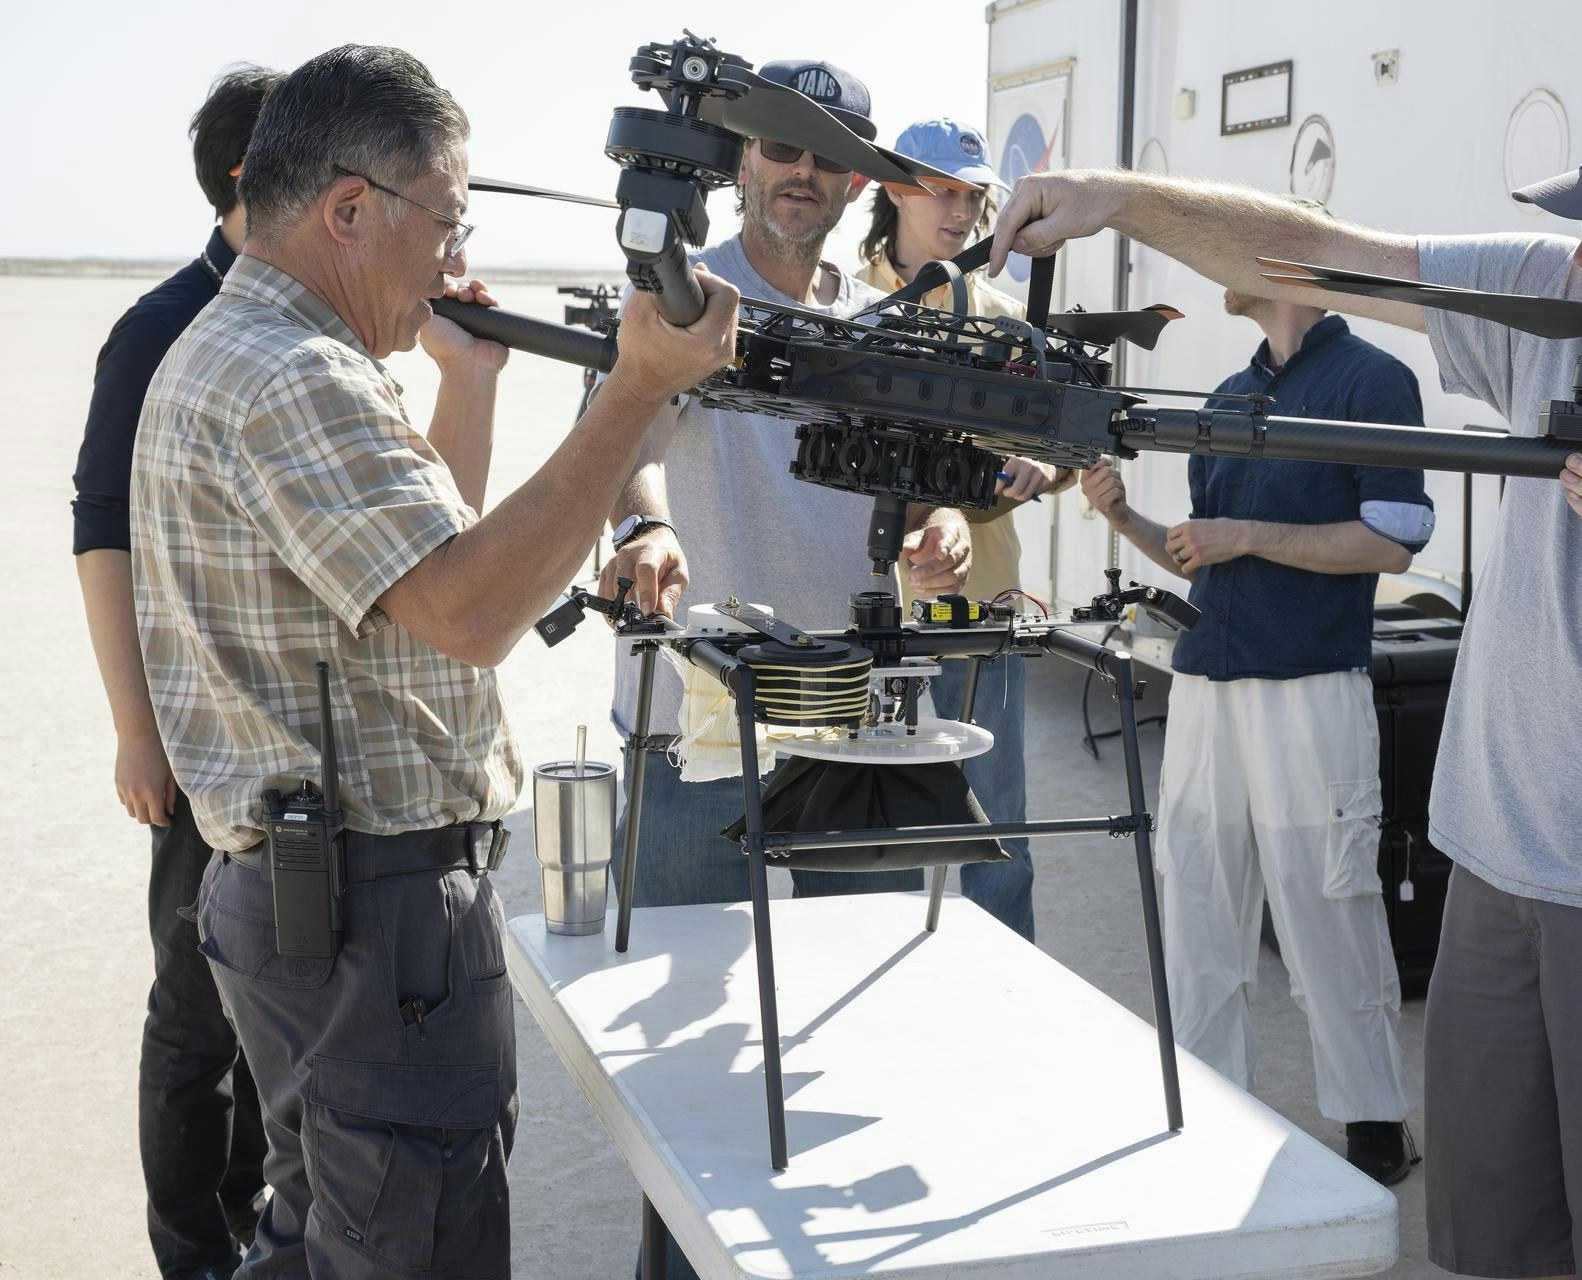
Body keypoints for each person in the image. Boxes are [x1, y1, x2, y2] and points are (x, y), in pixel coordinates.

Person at [987, 83, 1582, 1279]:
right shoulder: (1567, 299)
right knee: (1493, 1241)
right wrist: (1116, 199)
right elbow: (1317, 256)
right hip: (1494, 872)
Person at [129, 44, 737, 1278]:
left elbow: (408, 577)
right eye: (443, 220)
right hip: (372, 917)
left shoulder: (253, 346)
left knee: (320, 1235)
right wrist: (636, 395)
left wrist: (472, 377)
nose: (452, 256)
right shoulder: (299, 376)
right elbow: (467, 612)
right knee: (411, 1239)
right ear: (350, 209)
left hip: (320, 910)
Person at [595, 59, 968, 1280]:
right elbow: (630, 441)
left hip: (845, 722)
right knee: (684, 1060)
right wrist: (646, 524)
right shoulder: (680, 298)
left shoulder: (872, 333)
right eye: (775, 148)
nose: (800, 173)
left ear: (858, 175)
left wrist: (936, 525)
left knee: (844, 1030)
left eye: (824, 154)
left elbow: (900, 499)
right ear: (738, 162)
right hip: (698, 723)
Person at [1082, 277, 1431, 1184]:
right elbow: (1203, 554)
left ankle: (1373, 1126)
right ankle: (1203, 1109)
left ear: (1292, 270)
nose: (1217, 268)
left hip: (1311, 685)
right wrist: (1123, 518)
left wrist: (1244, 532)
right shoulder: (1232, 397)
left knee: (1330, 903)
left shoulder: (1374, 380)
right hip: (1204, 684)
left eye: (1238, 252)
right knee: (1195, 901)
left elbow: (1392, 542)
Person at [72, 64, 281, 1280]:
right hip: (195, 733)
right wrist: (132, 731)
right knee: (195, 1016)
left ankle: (263, 1235)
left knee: (275, 1011)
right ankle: (192, 1256)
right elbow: (101, 528)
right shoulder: (159, 325)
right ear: (263, 175)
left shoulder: (305, 316)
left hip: (294, 737)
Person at [853, 116, 1074, 941]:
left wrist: (1046, 466)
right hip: (869, 615)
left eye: (973, 193)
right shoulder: (845, 308)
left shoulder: (1011, 321)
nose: (959, 208)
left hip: (981, 613)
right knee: (874, 832)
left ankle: (1004, 1007)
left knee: (993, 828)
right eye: (940, 188)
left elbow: (1063, 443)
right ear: (892, 190)